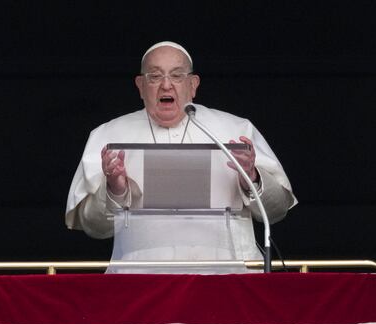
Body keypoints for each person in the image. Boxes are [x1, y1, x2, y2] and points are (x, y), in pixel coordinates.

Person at [66, 41, 297, 271]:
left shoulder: (235, 130)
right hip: (140, 278)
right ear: (140, 85)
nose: (166, 85)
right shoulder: (109, 136)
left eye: (176, 76)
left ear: (193, 84)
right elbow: (94, 228)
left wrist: (252, 176)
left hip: (228, 275)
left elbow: (276, 211)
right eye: (155, 76)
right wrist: (114, 190)